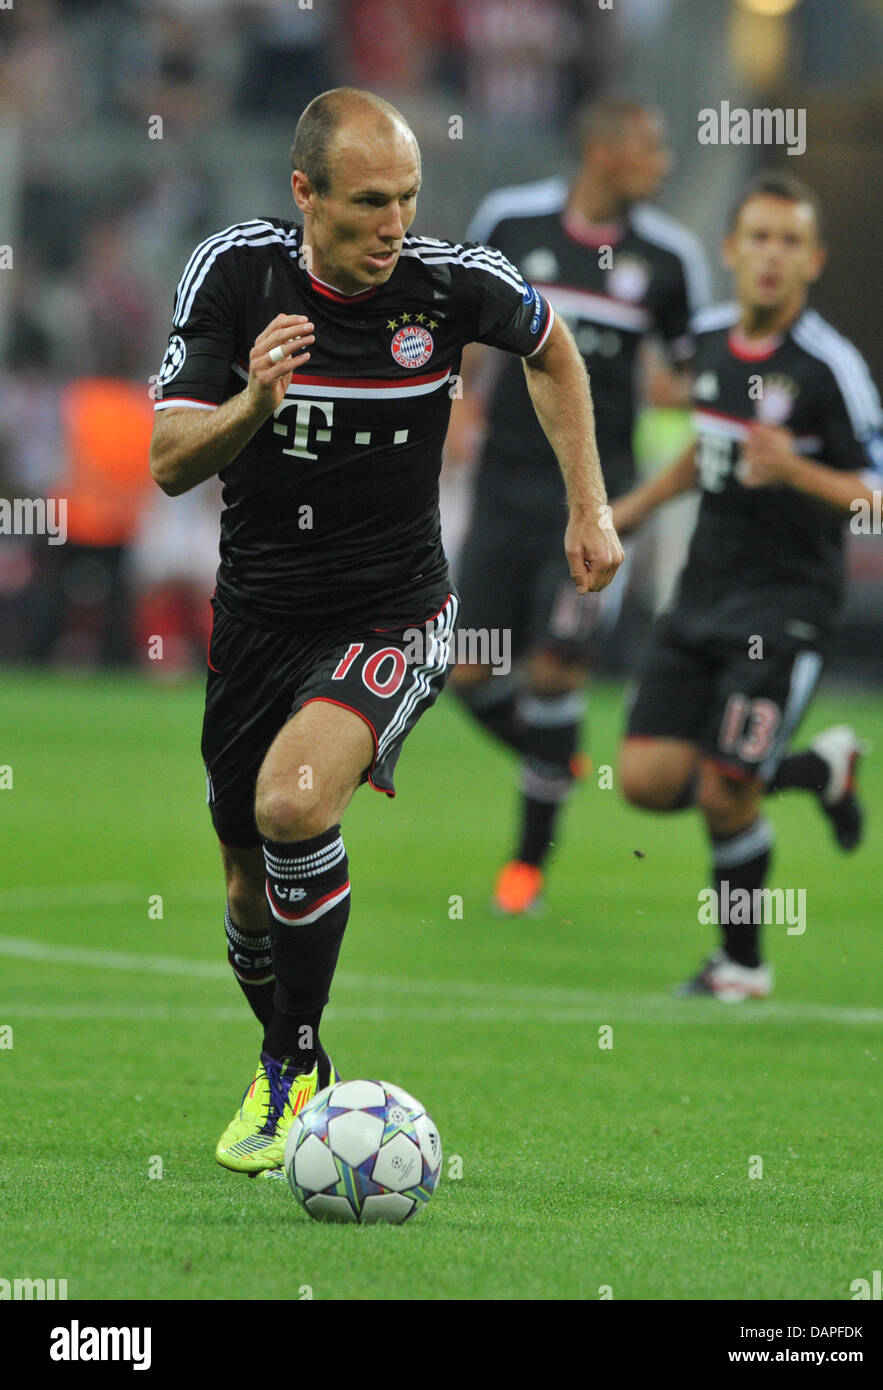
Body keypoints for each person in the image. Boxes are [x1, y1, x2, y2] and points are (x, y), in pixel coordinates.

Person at [149, 88, 623, 1175]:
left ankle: (294, 1066)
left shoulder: (452, 285)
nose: (393, 224)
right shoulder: (233, 275)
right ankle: (287, 1055)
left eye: (406, 197)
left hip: (396, 609)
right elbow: (171, 461)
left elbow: (554, 351)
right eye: (368, 202)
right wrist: (252, 404)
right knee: (243, 875)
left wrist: (586, 505)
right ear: (304, 194)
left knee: (292, 803)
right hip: (260, 617)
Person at [612, 171, 883, 1001]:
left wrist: (798, 471)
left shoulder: (828, 368)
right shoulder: (705, 341)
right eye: (758, 238)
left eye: (789, 242)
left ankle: (740, 965)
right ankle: (819, 771)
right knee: (644, 779)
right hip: (701, 594)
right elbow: (699, 455)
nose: (771, 256)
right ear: (731, 250)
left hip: (785, 608)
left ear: (812, 260)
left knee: (724, 788)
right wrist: (619, 515)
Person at [449, 98, 710, 916]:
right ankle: (551, 758)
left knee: (557, 670)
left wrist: (667, 389)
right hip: (502, 488)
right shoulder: (511, 219)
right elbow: (453, 319)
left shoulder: (669, 258)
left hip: (597, 496)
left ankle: (525, 867)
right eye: (649, 148)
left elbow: (692, 369)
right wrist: (455, 402)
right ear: (600, 150)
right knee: (466, 672)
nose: (661, 165)